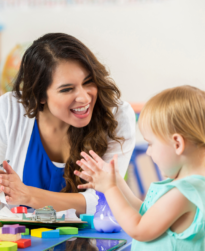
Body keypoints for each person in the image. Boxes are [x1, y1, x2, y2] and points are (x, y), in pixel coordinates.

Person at [0, 33, 136, 215]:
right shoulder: (6, 111)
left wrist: (28, 195)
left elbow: (107, 201)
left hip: (90, 240)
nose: (84, 97)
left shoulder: (115, 115)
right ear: (40, 95)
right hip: (24, 240)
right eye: (67, 89)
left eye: (88, 82)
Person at [75, 85, 205, 250]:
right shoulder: (191, 187)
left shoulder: (184, 192)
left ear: (177, 143)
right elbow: (144, 213)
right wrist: (118, 181)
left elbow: (139, 228)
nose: (148, 152)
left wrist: (110, 188)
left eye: (151, 143)